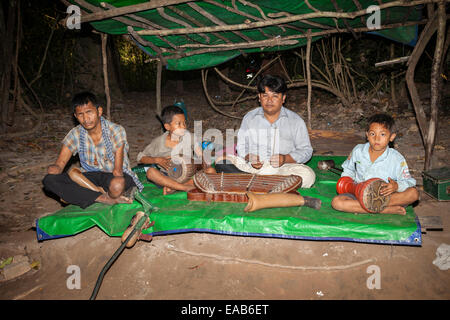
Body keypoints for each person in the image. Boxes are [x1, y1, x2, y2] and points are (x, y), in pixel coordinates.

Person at [42, 92, 143, 209]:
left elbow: (118, 171)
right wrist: (55, 169)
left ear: (99, 111)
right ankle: (102, 197)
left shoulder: (116, 130)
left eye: (89, 112)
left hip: (114, 176)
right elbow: (60, 164)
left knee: (117, 185)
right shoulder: (75, 134)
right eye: (80, 114)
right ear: (75, 116)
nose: (85, 119)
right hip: (89, 178)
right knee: (49, 180)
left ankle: (85, 195)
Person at [215, 74, 316, 188]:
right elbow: (241, 147)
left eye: (275, 96)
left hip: (282, 169)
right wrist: (250, 157)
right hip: (252, 168)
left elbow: (306, 151)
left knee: (308, 176)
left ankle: (251, 182)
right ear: (259, 97)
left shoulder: (296, 121)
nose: (269, 100)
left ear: (283, 98)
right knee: (221, 160)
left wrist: (285, 158)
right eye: (265, 95)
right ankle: (267, 184)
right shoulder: (249, 118)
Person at [331, 113, 419, 215]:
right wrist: (348, 184)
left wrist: (396, 186)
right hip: (358, 194)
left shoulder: (397, 159)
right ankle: (385, 210)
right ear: (367, 135)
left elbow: (409, 181)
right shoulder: (358, 150)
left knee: (413, 193)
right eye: (372, 134)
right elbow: (348, 169)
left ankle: (366, 208)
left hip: (385, 197)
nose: (377, 139)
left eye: (382, 134)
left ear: (391, 137)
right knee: (337, 202)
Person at [137, 105, 208, 195]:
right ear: (167, 126)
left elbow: (202, 157)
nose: (183, 127)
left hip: (189, 175)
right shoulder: (158, 142)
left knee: (210, 171)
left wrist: (197, 164)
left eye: (184, 123)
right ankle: (184, 187)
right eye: (178, 124)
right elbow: (140, 158)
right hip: (168, 176)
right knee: (151, 172)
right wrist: (156, 160)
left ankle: (174, 187)